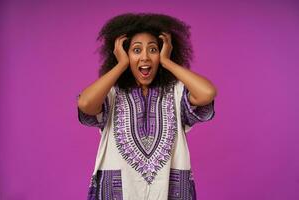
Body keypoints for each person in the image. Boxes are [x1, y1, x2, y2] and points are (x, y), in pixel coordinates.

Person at [77, 12, 217, 200]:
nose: (145, 57)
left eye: (153, 50)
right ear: (125, 54)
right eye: (136, 50)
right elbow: (85, 103)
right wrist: (121, 65)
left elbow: (207, 93)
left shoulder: (176, 93)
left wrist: (168, 62)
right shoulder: (111, 93)